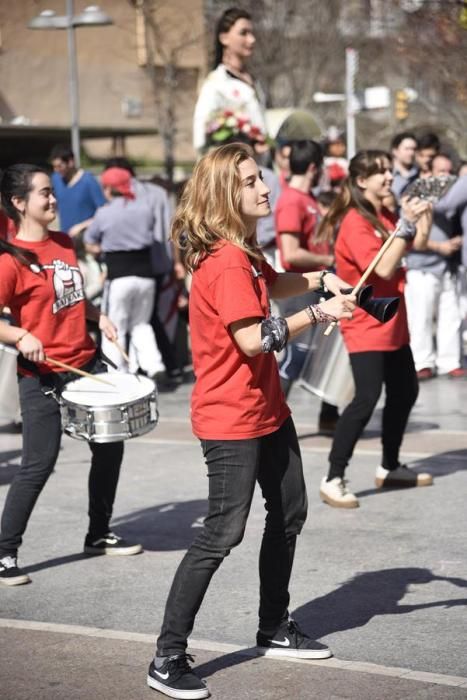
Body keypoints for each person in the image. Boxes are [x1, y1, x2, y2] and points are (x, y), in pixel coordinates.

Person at [146, 143, 356, 699]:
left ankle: (272, 626)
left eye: (261, 178)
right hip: (229, 419)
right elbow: (253, 338)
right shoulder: (226, 260)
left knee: (288, 512)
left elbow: (272, 283)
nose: (264, 189)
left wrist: (319, 281)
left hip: (268, 411)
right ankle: (167, 656)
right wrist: (318, 313)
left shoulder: (243, 252)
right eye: (250, 182)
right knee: (222, 532)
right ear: (225, 195)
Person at [0, 164, 142, 587]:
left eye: (52, 191)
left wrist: (99, 317)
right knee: (39, 464)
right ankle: (5, 551)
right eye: (44, 193)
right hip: (43, 375)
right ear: (19, 203)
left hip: (85, 363)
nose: (53, 199)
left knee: (109, 448)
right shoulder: (10, 261)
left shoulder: (63, 243)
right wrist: (18, 333)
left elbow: (70, 298)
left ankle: (98, 533)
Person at [316, 150, 434, 509]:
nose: (388, 177)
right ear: (361, 180)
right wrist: (407, 223)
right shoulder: (354, 221)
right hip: (367, 320)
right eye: (380, 172)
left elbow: (420, 244)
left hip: (393, 319)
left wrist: (420, 215)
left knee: (405, 390)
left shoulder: (384, 215)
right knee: (367, 398)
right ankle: (333, 476)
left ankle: (390, 465)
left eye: (388, 170)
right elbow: (382, 268)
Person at [275, 140, 339, 434]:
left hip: (316, 286)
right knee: (296, 356)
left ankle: (329, 416)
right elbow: (290, 253)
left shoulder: (310, 199)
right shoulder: (292, 201)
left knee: (325, 353)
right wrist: (328, 259)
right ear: (314, 167)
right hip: (299, 288)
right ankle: (271, 418)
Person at [84, 167, 165, 378]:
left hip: (119, 274)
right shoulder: (145, 209)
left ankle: (116, 370)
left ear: (108, 188)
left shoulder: (104, 212)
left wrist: (101, 248)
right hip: (146, 276)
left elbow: (90, 241)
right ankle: (154, 366)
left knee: (115, 324)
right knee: (141, 323)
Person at [405, 157, 465, 380]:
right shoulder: (414, 194)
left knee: (451, 316)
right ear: (427, 171)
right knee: (420, 317)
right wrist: (440, 246)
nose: (446, 177)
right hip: (421, 266)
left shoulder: (453, 196)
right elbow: (408, 234)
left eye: (450, 172)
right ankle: (422, 362)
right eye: (440, 171)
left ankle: (449, 361)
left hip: (448, 267)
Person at [192, 7, 267, 153]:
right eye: (243, 33)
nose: (251, 39)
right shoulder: (216, 83)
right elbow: (201, 135)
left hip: (261, 167)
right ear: (224, 38)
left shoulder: (255, 82)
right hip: (235, 168)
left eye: (252, 33)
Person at [50, 144, 106, 237]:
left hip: (87, 239)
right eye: (54, 167)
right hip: (66, 238)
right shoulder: (55, 179)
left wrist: (81, 226)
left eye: (59, 166)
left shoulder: (89, 181)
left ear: (71, 162)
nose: (56, 170)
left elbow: (103, 212)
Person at [390, 131, 418, 202]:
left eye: (414, 149)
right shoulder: (387, 174)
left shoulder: (419, 174)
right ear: (395, 151)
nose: (411, 153)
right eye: (407, 149)